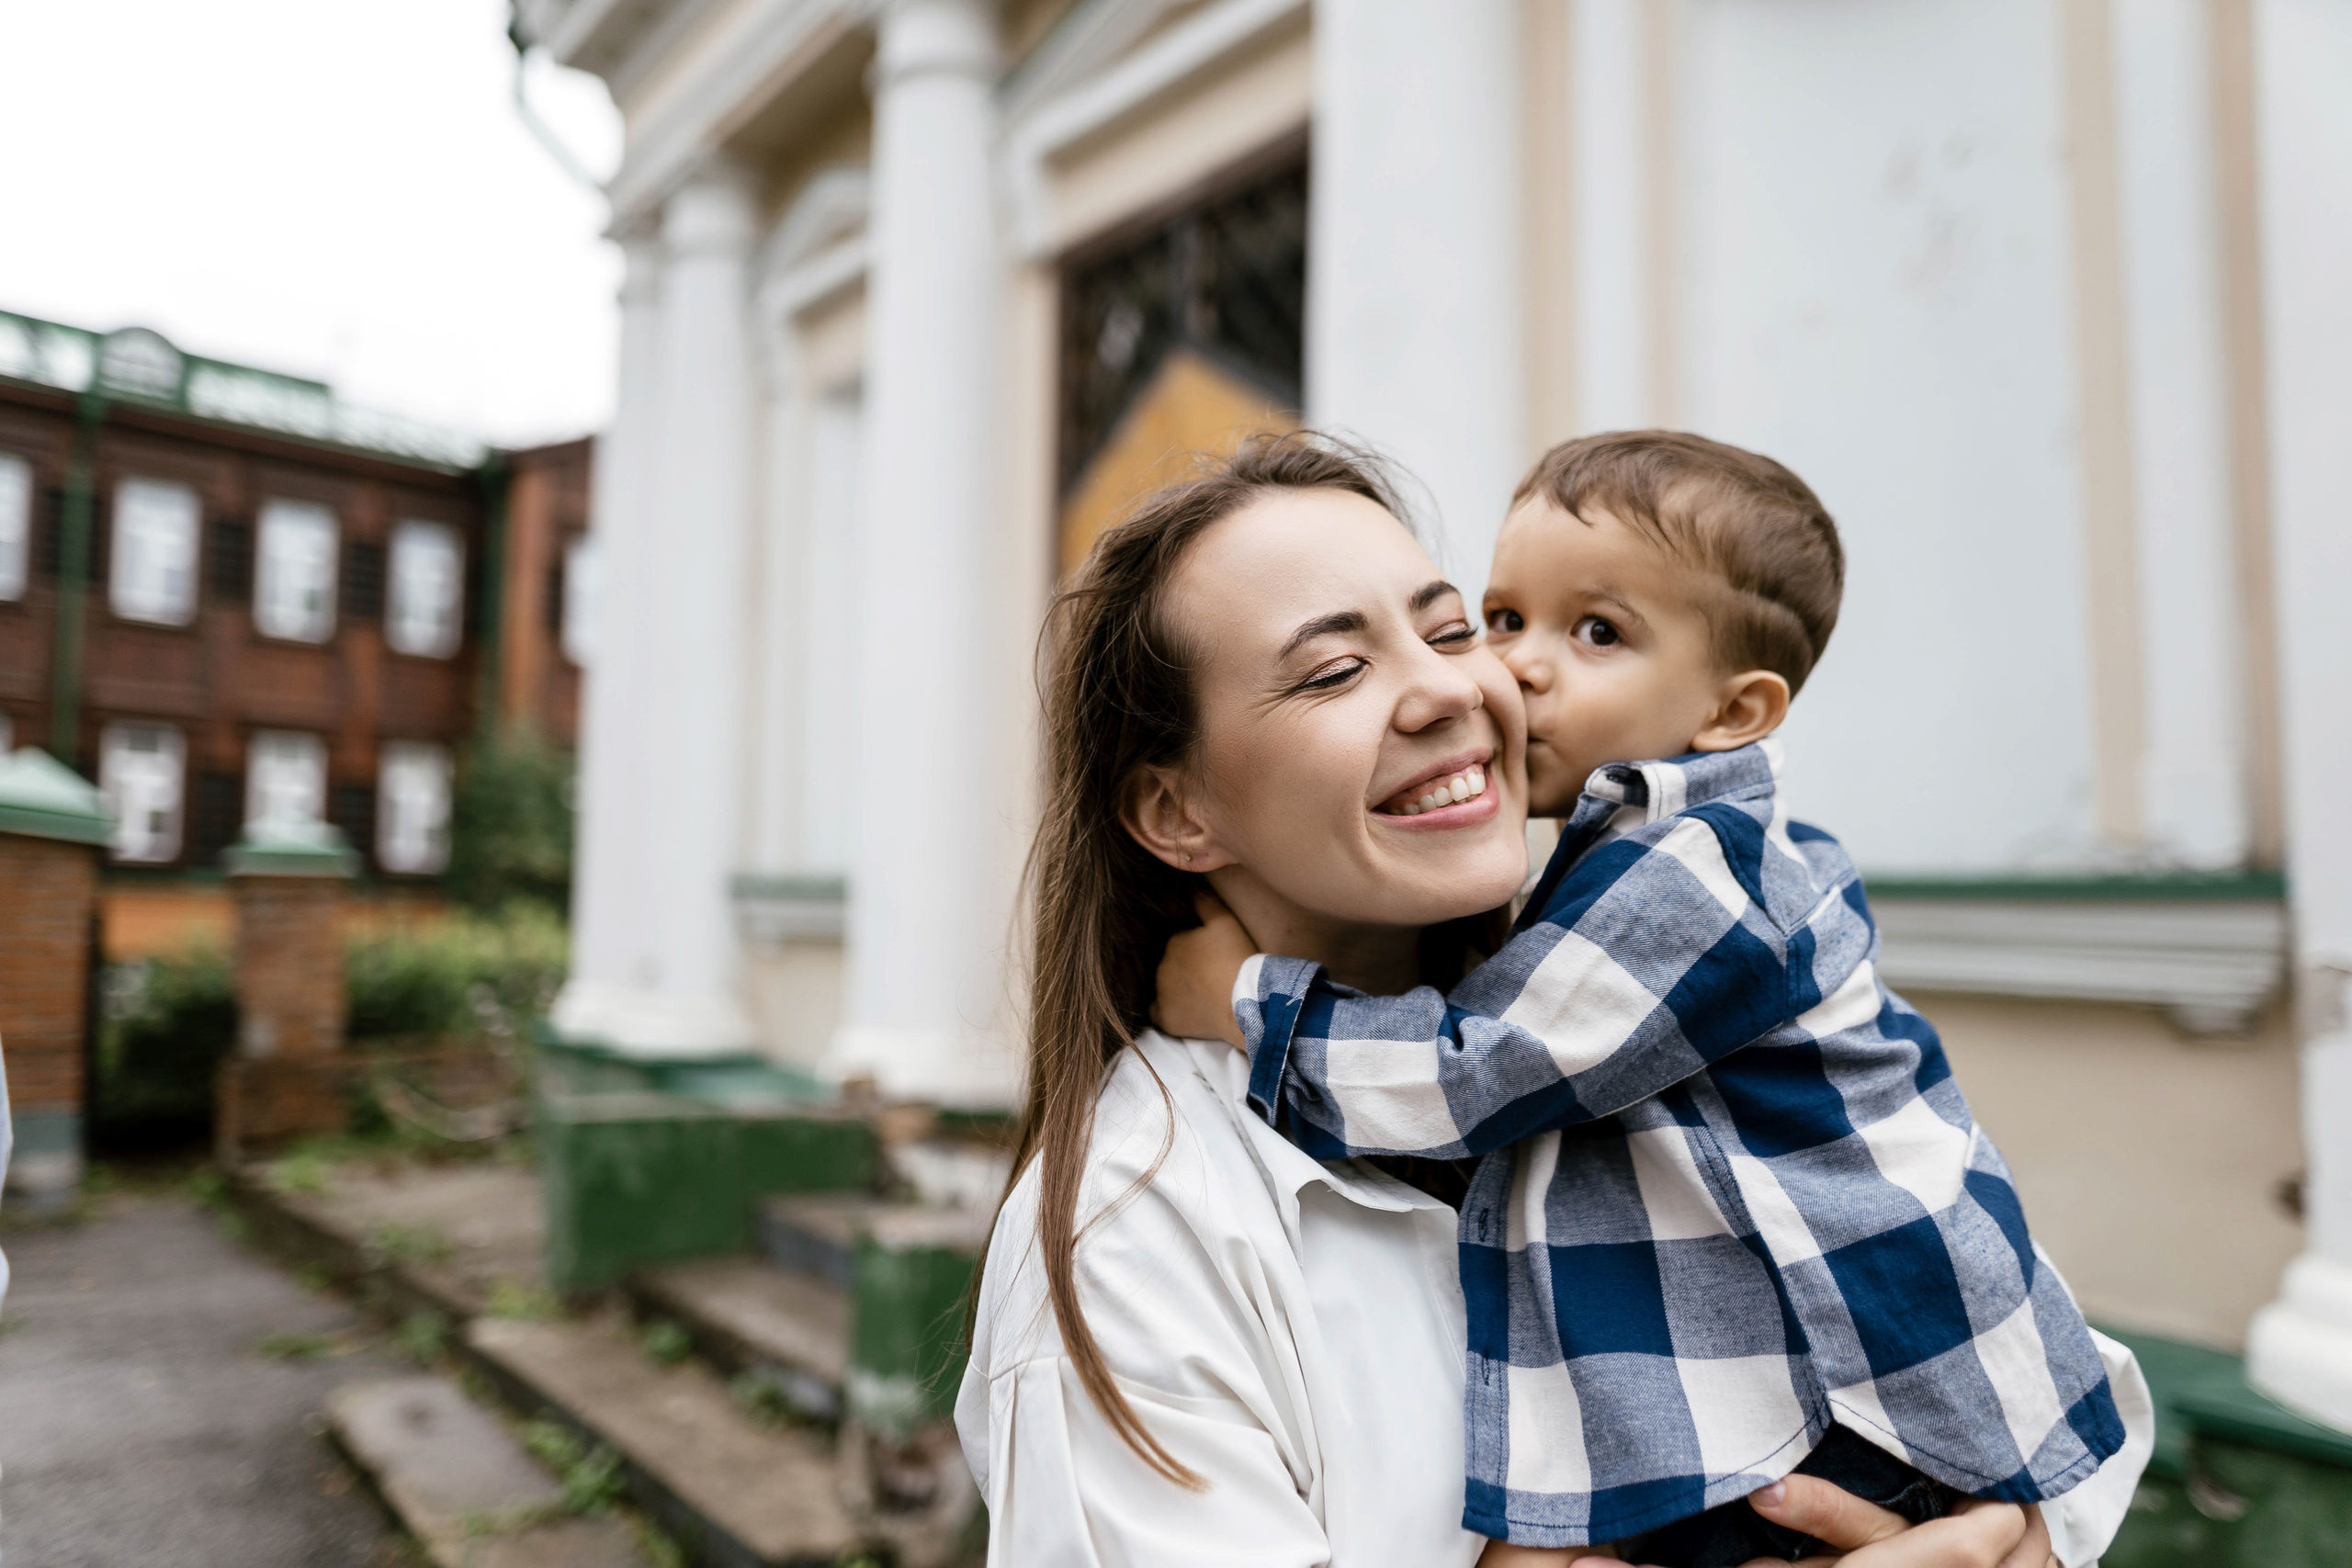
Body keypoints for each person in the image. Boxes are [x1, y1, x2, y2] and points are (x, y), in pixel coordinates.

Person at [956, 433, 2152, 1568]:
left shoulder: (1645, 1009)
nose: (1464, 687)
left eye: (1449, 629)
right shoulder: (1135, 1235)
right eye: (1335, 670)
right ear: (1177, 812)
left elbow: (2031, 1355)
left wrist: (2024, 1543)